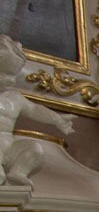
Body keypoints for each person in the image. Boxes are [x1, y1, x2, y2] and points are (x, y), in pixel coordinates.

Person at [0, 35, 75, 187]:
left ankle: (18, 172)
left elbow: (34, 109)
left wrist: (57, 119)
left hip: (9, 148)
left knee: (34, 149)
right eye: (4, 74)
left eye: (13, 75)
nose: (11, 80)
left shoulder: (15, 98)